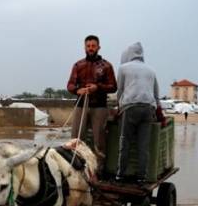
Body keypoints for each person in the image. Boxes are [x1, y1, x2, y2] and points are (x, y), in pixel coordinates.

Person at [67, 35, 117, 171]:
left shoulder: (106, 66)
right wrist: (78, 90)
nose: (90, 48)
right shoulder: (78, 65)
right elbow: (70, 85)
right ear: (84, 47)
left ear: (98, 47)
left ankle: (98, 170)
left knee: (99, 141)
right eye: (88, 46)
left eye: (93, 46)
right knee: (76, 139)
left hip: (99, 107)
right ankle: (76, 166)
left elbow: (113, 86)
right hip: (81, 106)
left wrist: (98, 87)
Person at [114, 42, 159, 183]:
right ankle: (141, 177)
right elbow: (156, 94)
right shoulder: (151, 70)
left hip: (130, 108)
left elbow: (119, 90)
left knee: (125, 142)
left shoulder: (123, 68)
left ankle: (120, 174)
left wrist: (119, 107)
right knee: (143, 145)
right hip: (148, 109)